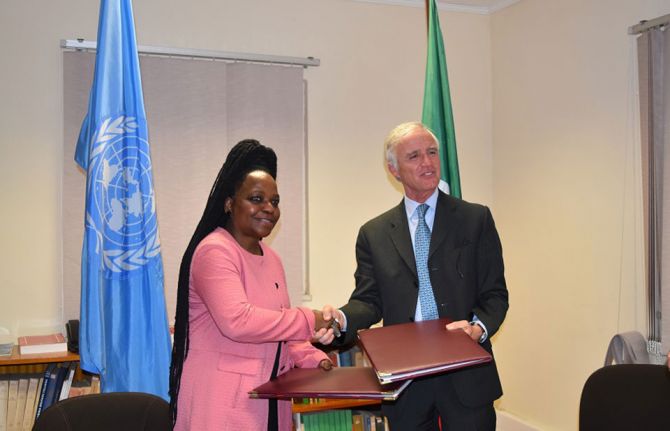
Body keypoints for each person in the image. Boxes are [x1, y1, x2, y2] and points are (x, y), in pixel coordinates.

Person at [320, 122, 509, 430]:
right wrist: (340, 319)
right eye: (414, 156)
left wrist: (478, 329)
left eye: (432, 152)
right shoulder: (374, 234)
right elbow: (368, 301)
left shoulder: (475, 219)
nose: (427, 162)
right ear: (393, 170)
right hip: (406, 380)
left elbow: (495, 294)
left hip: (466, 373)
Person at [169, 139, 332, 431]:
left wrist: (314, 358)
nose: (269, 208)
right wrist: (310, 318)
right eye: (257, 199)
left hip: (269, 402)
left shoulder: (273, 259)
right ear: (230, 203)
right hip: (221, 406)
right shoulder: (214, 252)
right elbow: (238, 321)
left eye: (275, 201)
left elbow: (283, 331)